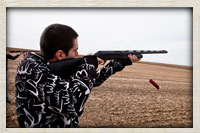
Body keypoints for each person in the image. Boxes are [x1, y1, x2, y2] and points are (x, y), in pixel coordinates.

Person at [15, 23, 140, 128]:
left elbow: (91, 81)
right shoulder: (31, 71)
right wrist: (89, 66)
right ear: (60, 54)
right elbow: (73, 104)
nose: (78, 54)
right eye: (75, 50)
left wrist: (118, 63)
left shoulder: (53, 66)